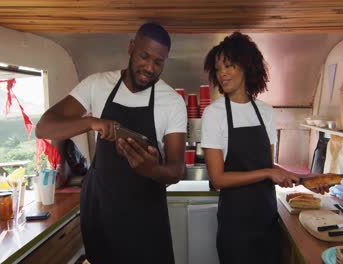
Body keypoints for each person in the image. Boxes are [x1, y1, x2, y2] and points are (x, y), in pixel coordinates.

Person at [35, 22, 186, 263]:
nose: (149, 67)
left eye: (158, 62)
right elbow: (44, 127)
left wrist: (153, 170)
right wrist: (92, 122)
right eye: (144, 56)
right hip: (101, 216)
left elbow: (178, 168)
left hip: (146, 222)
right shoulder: (97, 85)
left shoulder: (172, 102)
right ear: (131, 48)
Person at [201, 32, 314, 264]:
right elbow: (218, 178)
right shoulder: (214, 114)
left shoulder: (265, 112)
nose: (222, 73)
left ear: (246, 66)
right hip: (235, 227)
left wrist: (300, 179)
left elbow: (267, 165)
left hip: (267, 220)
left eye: (229, 66)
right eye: (218, 68)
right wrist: (268, 172)